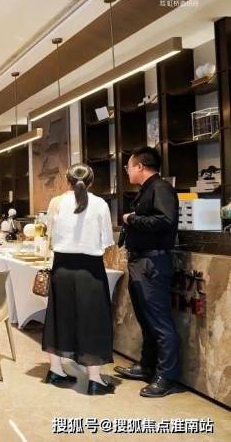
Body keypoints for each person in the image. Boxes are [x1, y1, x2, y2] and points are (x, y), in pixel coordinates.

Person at [41, 163, 116, 396]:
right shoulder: (100, 204)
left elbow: (49, 235)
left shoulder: (56, 203)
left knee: (58, 317)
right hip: (90, 270)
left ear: (67, 180)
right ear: (91, 181)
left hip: (61, 268)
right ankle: (94, 380)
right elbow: (107, 241)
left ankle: (55, 370)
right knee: (93, 320)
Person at [114, 146, 181, 398]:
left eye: (128, 166)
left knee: (160, 323)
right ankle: (147, 366)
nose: (127, 171)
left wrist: (131, 219)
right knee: (146, 320)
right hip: (141, 262)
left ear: (140, 166)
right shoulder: (147, 189)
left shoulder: (160, 188)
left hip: (152, 263)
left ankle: (167, 376)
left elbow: (165, 220)